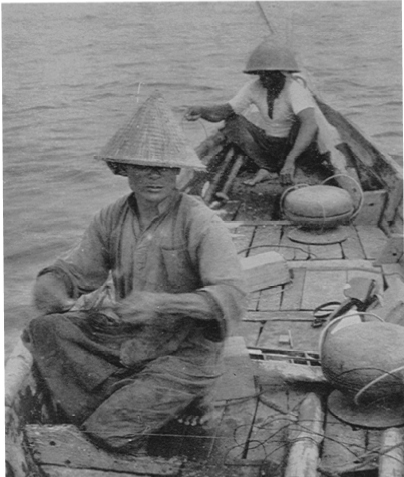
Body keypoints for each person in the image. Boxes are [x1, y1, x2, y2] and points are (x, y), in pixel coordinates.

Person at [26, 92, 247, 453]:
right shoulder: (110, 217)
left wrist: (161, 303)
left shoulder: (200, 221)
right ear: (124, 168)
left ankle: (172, 396)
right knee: (43, 328)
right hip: (128, 340)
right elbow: (74, 271)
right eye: (142, 166)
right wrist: (52, 286)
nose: (153, 175)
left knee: (108, 431)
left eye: (163, 166)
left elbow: (232, 298)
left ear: (177, 170)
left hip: (185, 354)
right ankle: (133, 395)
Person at [185, 41, 321, 186]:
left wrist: (291, 160)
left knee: (302, 122)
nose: (264, 78)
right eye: (261, 74)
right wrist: (201, 111)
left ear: (280, 73)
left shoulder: (295, 90)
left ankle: (284, 166)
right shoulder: (254, 87)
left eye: (270, 74)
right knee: (233, 121)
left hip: (292, 146)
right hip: (269, 143)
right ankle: (268, 167)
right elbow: (225, 111)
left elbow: (310, 124)